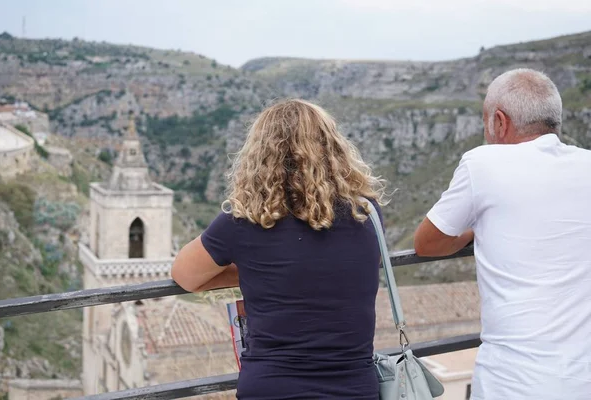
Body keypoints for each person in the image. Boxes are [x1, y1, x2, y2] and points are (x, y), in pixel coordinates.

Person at [171, 99, 387, 399]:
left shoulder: (244, 220)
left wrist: (254, 271)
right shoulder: (366, 213)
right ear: (334, 147)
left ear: (259, 154)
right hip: (354, 388)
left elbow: (185, 275)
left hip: (272, 387)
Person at [414, 68, 591, 399]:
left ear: (499, 121)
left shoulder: (483, 163)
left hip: (514, 380)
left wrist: (471, 231)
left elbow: (426, 243)